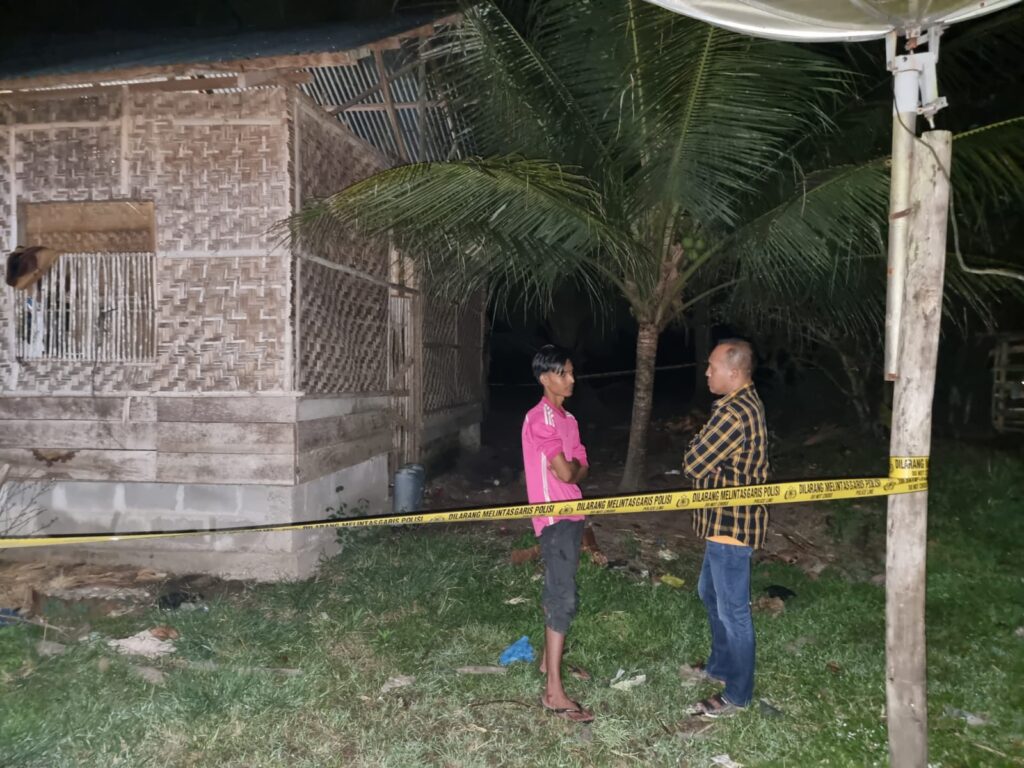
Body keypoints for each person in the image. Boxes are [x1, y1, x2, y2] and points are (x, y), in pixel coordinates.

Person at [683, 338, 770, 718]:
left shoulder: (733, 414)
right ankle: (720, 666)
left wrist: (702, 454)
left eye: (712, 367)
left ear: (733, 373)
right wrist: (707, 457)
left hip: (730, 525)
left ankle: (737, 694)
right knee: (709, 592)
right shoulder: (741, 403)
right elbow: (704, 459)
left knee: (734, 612)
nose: (707, 373)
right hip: (722, 522)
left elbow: (693, 462)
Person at [521, 344, 594, 723]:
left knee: (559, 589)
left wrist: (572, 469)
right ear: (544, 377)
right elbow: (567, 472)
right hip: (554, 519)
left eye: (571, 372)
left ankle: (546, 663)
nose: (571, 379)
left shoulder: (569, 420)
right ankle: (553, 692)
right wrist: (571, 470)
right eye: (563, 373)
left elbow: (580, 466)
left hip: (573, 514)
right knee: (563, 597)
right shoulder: (540, 418)